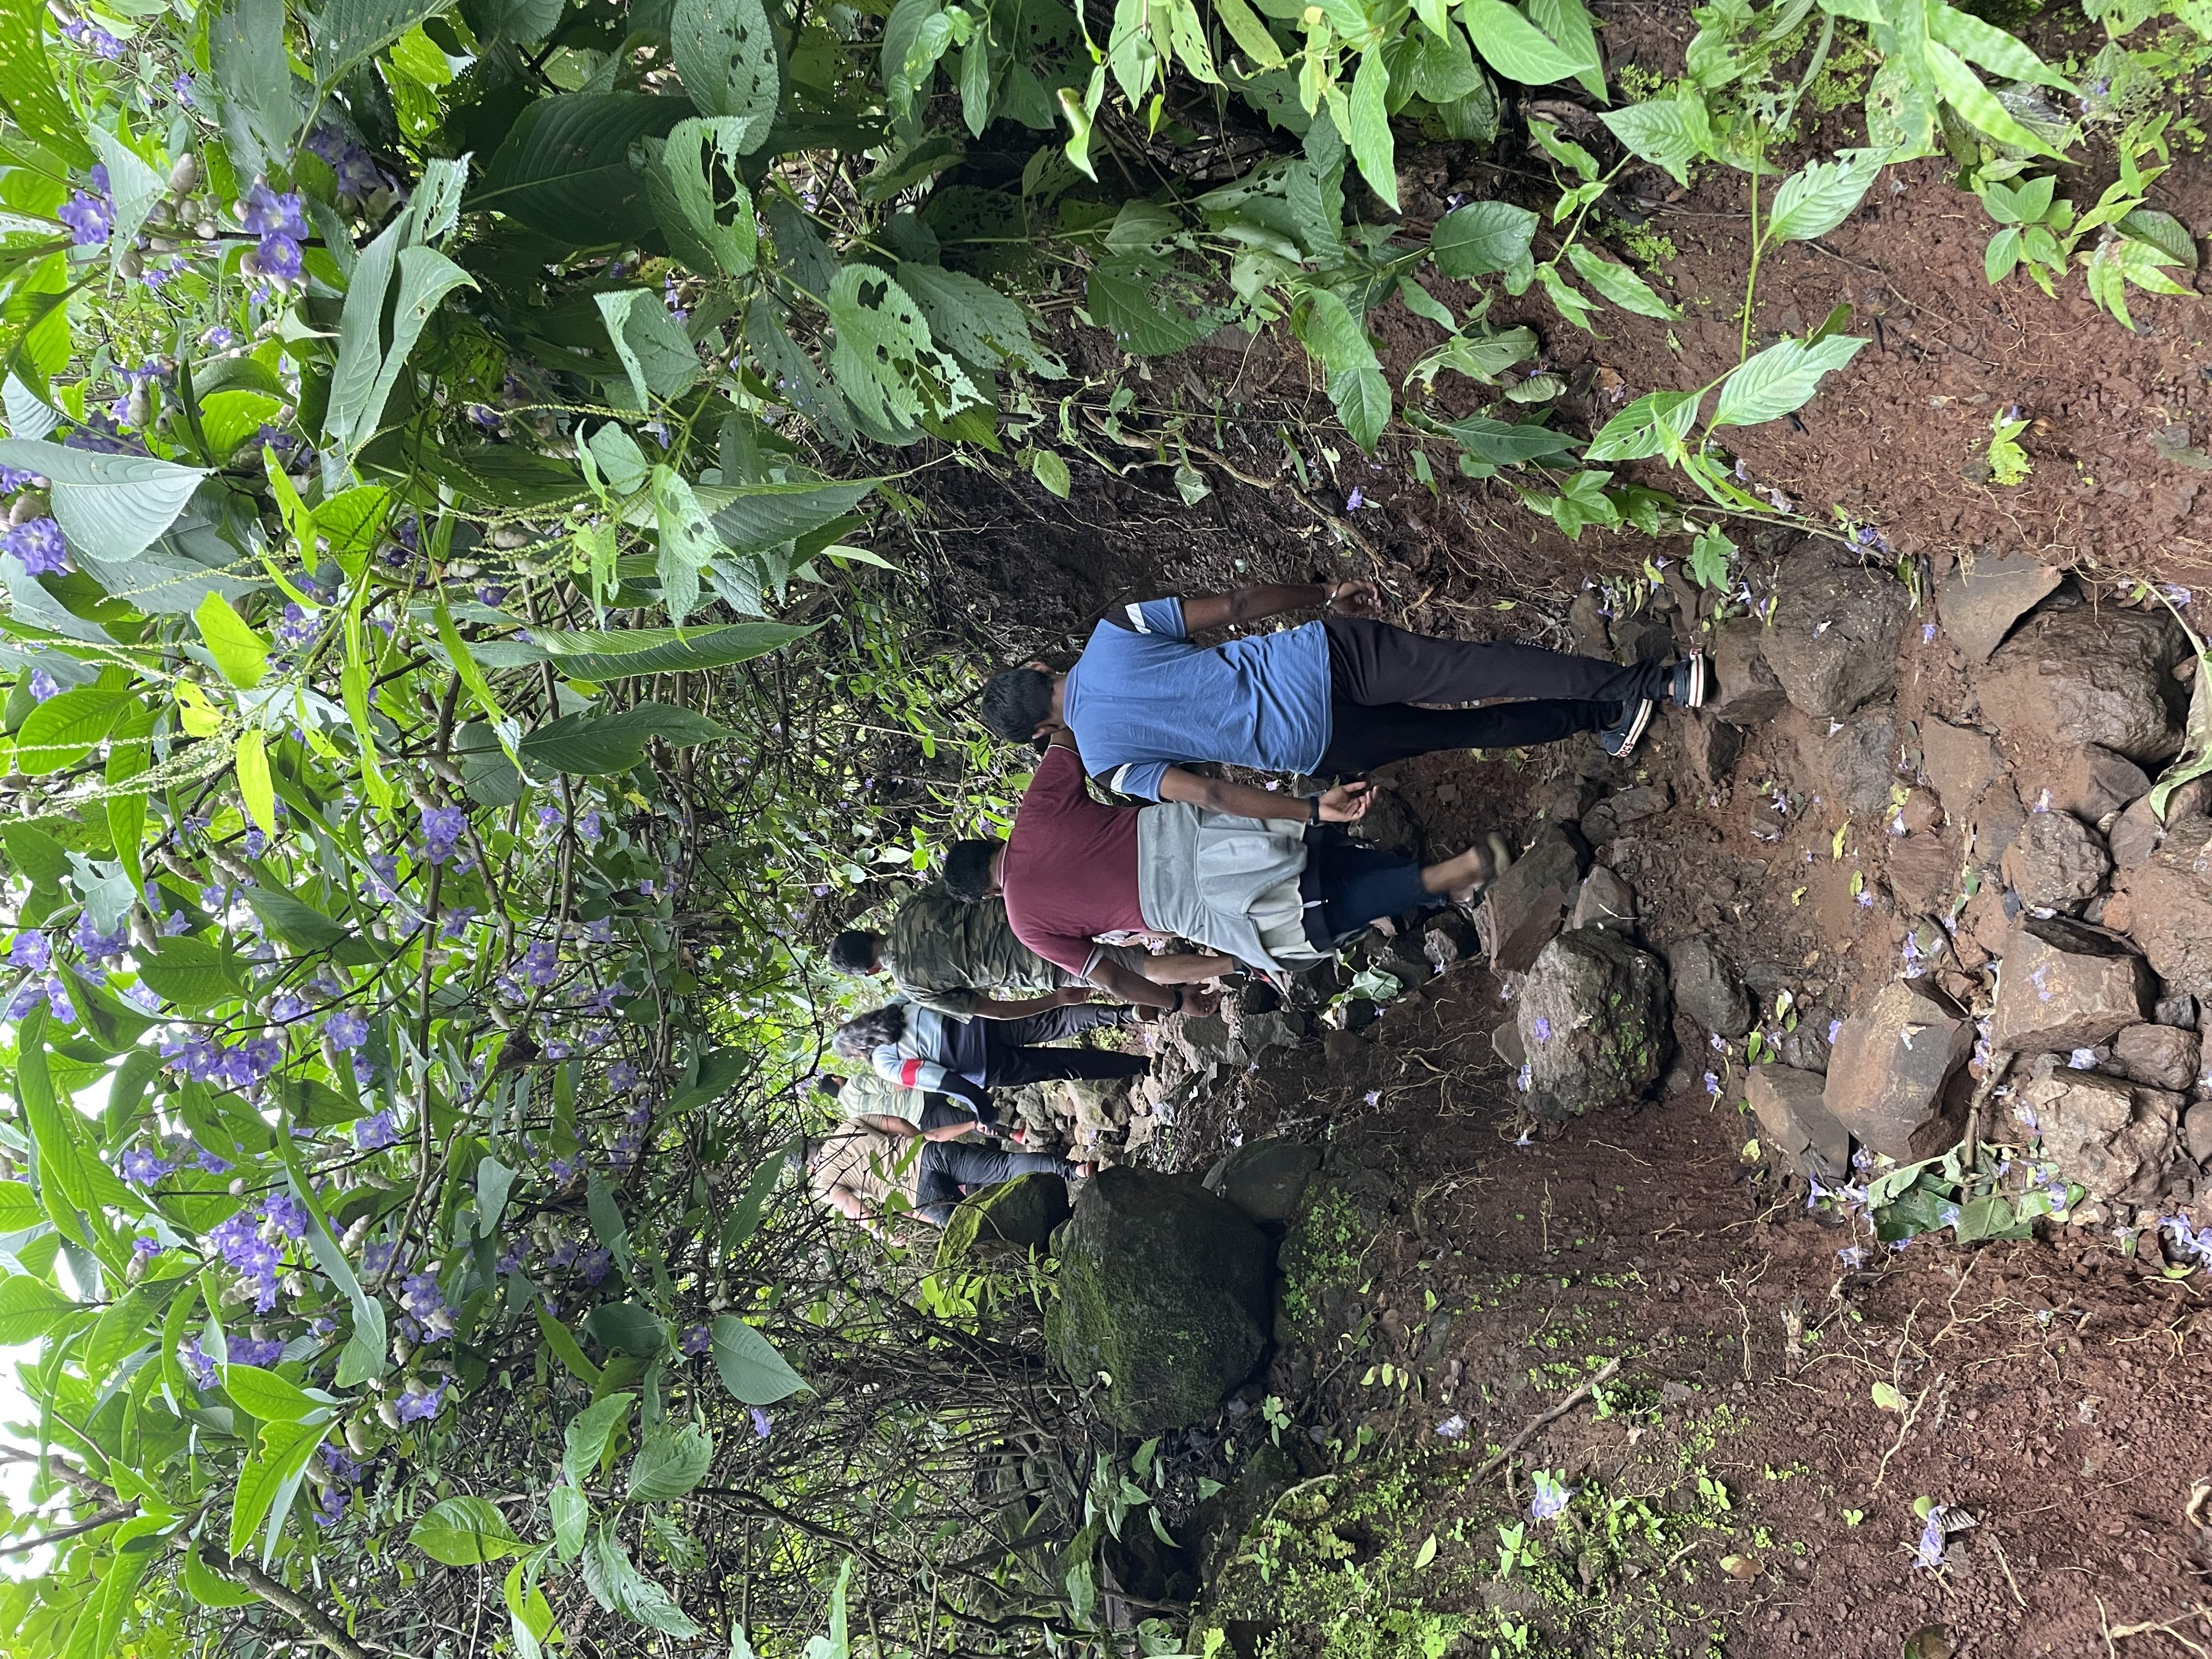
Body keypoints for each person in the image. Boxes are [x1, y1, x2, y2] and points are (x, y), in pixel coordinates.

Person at [975, 580, 1706, 811]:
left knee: (1462, 731)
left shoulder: (1109, 767)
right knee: (1475, 670)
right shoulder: (1115, 632)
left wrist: (1311, 812)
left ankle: (1602, 713)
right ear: (1039, 667)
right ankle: (1661, 683)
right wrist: (1323, 594)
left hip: (1317, 744)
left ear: (1041, 735)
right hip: (1323, 659)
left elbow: (1214, 795)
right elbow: (1234, 607)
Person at [940, 727, 1513, 997]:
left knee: (1301, 924)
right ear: (990, 841)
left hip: (1186, 904)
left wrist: (1172, 999)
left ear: (989, 894)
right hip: (1184, 833)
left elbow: (1113, 975)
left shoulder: (1026, 924)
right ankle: (1436, 884)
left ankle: (1441, 878)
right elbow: (1069, 736)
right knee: (1301, 847)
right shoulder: (1033, 813)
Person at [826, 886, 1231, 1019]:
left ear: (871, 972)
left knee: (1139, 967)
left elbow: (994, 1010)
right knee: (1129, 917)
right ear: (870, 931)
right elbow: (975, 886)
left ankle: (1233, 964)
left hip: (1038, 963)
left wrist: (1056, 1001)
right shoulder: (913, 908)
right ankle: (1218, 913)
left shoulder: (914, 987)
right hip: (1034, 911)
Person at [832, 996, 1154, 1114]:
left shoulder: (884, 1064)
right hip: (982, 1021)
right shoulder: (895, 1006)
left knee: (1063, 1065)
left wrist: (980, 1104)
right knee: (1056, 1020)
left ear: (857, 1052)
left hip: (985, 1065)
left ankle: (1143, 1065)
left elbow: (940, 1079)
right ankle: (1127, 1013)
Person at [797, 1125, 1088, 1231]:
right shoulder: (848, 1127)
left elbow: (853, 1207)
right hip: (928, 1153)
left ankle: (1043, 1244)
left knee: (977, 1227)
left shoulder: (824, 1181)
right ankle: (1075, 1170)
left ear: (807, 1168)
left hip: (918, 1193)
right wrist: (920, 1145)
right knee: (1006, 1165)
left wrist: (882, 1232)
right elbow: (898, 1124)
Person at [813, 1070, 996, 1142]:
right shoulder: (855, 1083)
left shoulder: (852, 1115)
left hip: (918, 1121)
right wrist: (918, 1077)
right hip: (920, 1095)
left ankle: (1008, 1132)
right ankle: (992, 1092)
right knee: (960, 1083)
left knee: (969, 1123)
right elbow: (889, 1086)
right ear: (835, 1078)